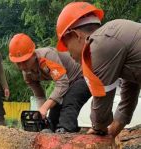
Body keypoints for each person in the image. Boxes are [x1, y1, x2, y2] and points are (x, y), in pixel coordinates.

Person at [56, 2, 141, 137]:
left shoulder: (99, 45)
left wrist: (98, 127)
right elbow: (130, 91)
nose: (69, 54)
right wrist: (112, 132)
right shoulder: (114, 36)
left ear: (76, 35)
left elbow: (102, 100)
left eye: (66, 45)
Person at [9, 33, 91, 133]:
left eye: (25, 61)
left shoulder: (47, 56)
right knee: (54, 112)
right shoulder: (27, 74)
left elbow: (62, 83)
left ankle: (65, 132)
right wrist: (41, 114)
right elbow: (39, 96)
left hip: (83, 76)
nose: (22, 66)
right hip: (67, 83)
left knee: (71, 100)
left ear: (33, 54)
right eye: (18, 63)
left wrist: (44, 107)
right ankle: (51, 132)